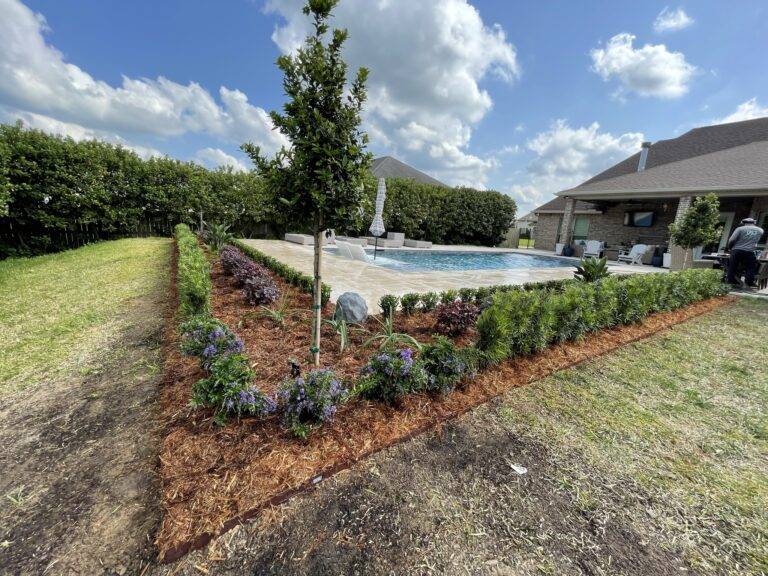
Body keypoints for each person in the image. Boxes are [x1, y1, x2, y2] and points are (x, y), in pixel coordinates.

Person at [726, 217, 764, 286]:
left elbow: (732, 240)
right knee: (751, 267)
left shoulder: (740, 229)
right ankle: (749, 282)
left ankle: (731, 281)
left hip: (737, 250)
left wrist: (730, 248)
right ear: (754, 222)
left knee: (733, 266)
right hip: (750, 251)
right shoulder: (760, 230)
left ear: (744, 223)